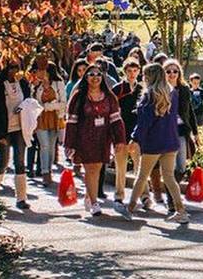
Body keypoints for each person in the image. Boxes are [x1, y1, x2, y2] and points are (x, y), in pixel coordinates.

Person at [122, 63, 189, 224]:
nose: (142, 78)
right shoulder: (172, 93)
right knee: (169, 177)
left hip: (153, 142)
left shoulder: (149, 95)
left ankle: (130, 208)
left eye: (145, 75)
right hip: (171, 141)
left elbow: (144, 123)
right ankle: (181, 211)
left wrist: (134, 138)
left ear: (150, 77)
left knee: (142, 176)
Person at [64, 64, 126, 217]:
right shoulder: (78, 97)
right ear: (85, 78)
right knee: (89, 169)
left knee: (97, 169)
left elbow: (116, 120)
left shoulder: (110, 97)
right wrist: (69, 143)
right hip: (83, 137)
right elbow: (71, 122)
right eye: (91, 74)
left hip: (102, 138)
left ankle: (89, 196)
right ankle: (94, 203)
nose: (95, 77)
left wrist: (119, 140)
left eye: (98, 74)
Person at [0, 58, 32, 210]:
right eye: (10, 67)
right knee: (3, 162)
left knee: (20, 162)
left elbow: (29, 102)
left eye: (16, 67)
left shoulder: (23, 84)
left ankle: (21, 198)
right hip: (4, 130)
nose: (14, 70)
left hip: (20, 128)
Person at [164, 59, 197, 199]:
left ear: (179, 73)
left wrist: (195, 132)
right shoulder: (160, 89)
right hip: (165, 132)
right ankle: (172, 198)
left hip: (181, 131)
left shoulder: (184, 89)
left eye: (175, 71)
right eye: (168, 71)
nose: (172, 74)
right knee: (169, 168)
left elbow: (190, 111)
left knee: (182, 166)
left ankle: (172, 193)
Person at [112, 58, 143, 204]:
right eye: (129, 71)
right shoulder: (118, 89)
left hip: (137, 134)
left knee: (140, 167)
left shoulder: (142, 89)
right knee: (121, 167)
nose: (132, 74)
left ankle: (144, 195)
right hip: (120, 133)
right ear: (125, 72)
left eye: (135, 71)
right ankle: (119, 195)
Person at [31, 61, 67, 187]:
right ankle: (45, 173)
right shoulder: (37, 84)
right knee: (44, 145)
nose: (39, 72)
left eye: (41, 70)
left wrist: (48, 106)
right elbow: (33, 102)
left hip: (55, 118)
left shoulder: (58, 83)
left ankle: (49, 169)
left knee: (51, 146)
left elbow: (63, 103)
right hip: (40, 119)